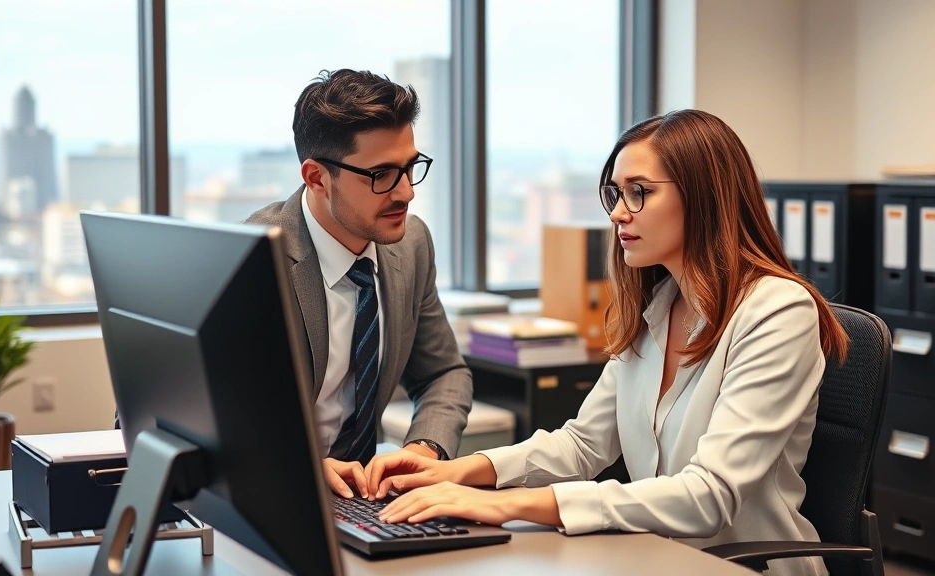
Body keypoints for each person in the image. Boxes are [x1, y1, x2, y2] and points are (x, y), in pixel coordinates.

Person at [362, 109, 848, 576]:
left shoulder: (777, 312)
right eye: (615, 193)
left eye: (639, 192)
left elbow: (710, 496)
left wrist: (505, 504)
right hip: (652, 557)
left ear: (704, 198)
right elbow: (583, 445)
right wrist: (459, 472)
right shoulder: (657, 306)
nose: (618, 213)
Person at [245, 69, 472, 499]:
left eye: (410, 168)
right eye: (382, 174)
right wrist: (296, 465)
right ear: (316, 178)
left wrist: (426, 447)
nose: (406, 193)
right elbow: (182, 415)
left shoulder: (412, 244)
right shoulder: (249, 259)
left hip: (365, 502)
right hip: (273, 497)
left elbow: (443, 373)